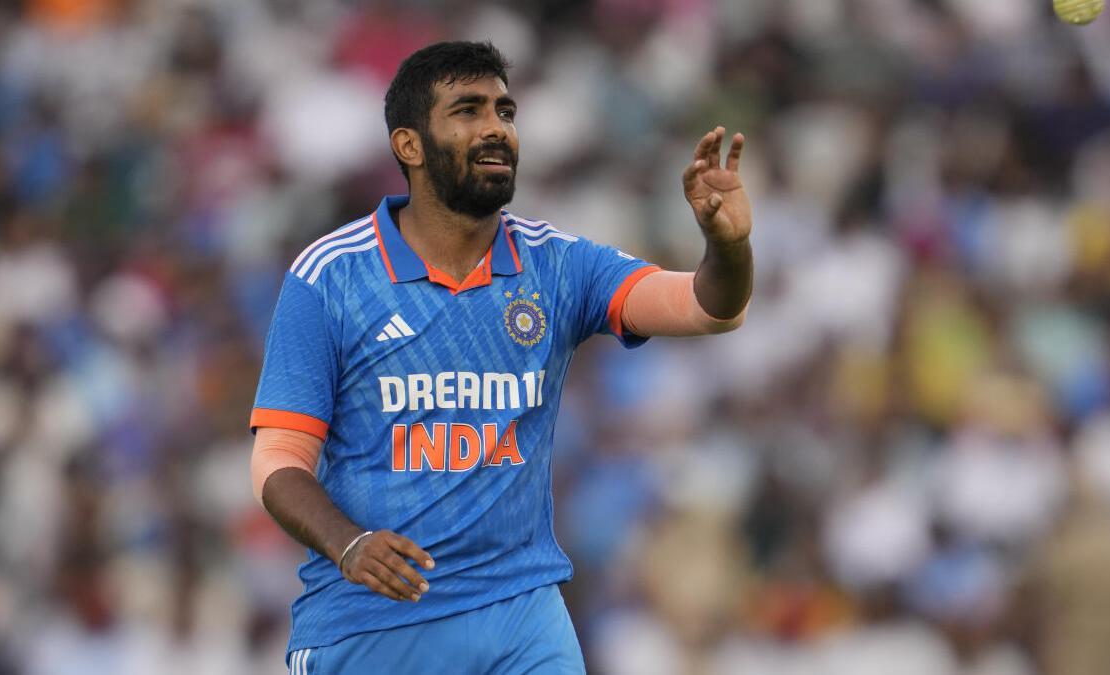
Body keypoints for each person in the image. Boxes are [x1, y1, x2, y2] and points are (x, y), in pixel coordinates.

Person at [248, 40, 753, 673]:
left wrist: (727, 247)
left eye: (505, 111)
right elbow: (277, 461)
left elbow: (708, 308)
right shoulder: (331, 275)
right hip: (372, 617)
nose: (496, 128)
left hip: (522, 613)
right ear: (409, 145)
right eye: (468, 110)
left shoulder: (558, 263)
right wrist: (349, 544)